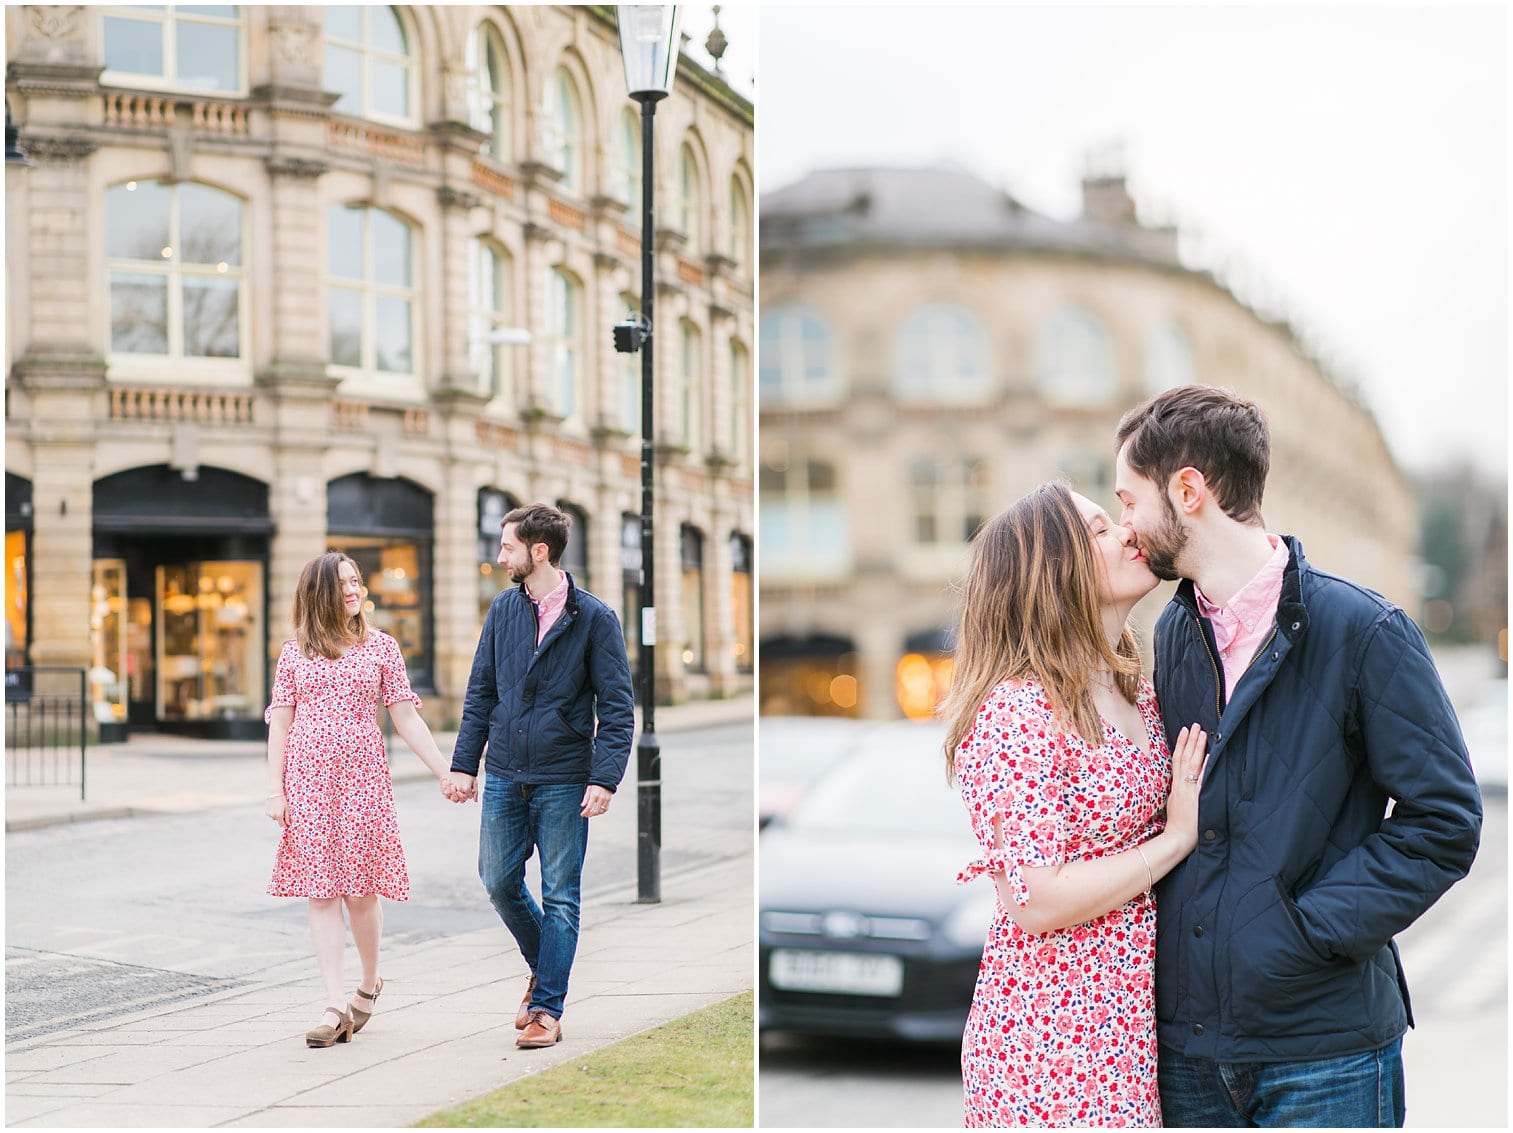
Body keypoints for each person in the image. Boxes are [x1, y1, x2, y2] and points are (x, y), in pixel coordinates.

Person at [1113, 384, 1483, 1128]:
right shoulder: (1173, 639)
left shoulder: (1366, 630)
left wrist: (1302, 933)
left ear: (1188, 490)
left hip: (1326, 1052)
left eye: (1127, 500)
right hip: (1187, 1053)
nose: (1124, 526)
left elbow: (1442, 821)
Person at [944, 482, 1209, 1127]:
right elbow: (1036, 898)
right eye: (1096, 529)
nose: (1125, 531)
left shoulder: (1139, 693)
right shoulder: (1016, 712)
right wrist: (1172, 841)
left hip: (1125, 1035)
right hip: (1048, 1043)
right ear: (1050, 569)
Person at [448, 503, 635, 1050]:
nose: (498, 555)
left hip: (564, 776)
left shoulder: (594, 618)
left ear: (538, 551)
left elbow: (618, 707)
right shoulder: (503, 609)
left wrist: (604, 778)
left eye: (506, 546)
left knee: (561, 896)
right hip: (506, 770)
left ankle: (546, 1009)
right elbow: (481, 690)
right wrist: (465, 763)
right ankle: (544, 967)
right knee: (499, 882)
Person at [264, 552, 467, 1048]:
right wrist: (275, 789)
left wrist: (446, 770)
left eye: (356, 581)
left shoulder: (382, 648)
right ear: (319, 594)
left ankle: (368, 983)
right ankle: (335, 1004)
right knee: (321, 891)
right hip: (309, 781)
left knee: (361, 891)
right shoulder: (294, 654)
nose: (353, 590)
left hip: (363, 780)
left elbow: (406, 717)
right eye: (342, 584)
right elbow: (281, 724)